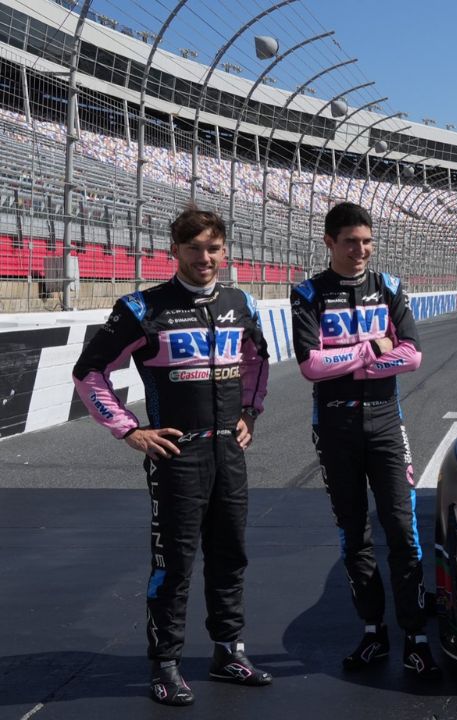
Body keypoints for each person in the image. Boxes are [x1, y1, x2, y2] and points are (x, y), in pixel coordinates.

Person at [71, 207, 273, 706]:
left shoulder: (240, 301)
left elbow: (257, 361)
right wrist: (129, 430)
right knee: (175, 562)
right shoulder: (142, 307)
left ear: (225, 251)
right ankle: (165, 664)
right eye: (194, 249)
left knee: (230, 557)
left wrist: (250, 412)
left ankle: (229, 651)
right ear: (175, 252)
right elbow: (88, 372)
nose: (205, 258)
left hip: (229, 449)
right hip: (176, 455)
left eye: (213, 248)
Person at [290, 202, 437, 678]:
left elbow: (413, 356)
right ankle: (373, 631)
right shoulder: (308, 293)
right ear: (329, 242)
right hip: (334, 428)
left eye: (367, 242)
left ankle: (416, 637)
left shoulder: (390, 286)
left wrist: (353, 360)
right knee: (354, 535)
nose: (361, 250)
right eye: (351, 241)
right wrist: (372, 350)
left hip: (385, 424)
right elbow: (311, 365)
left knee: (402, 530)